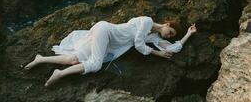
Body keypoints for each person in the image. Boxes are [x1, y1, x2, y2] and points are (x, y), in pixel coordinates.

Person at [23, 16, 197, 87]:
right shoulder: (146, 22)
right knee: (95, 64)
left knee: (73, 59)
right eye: (171, 32)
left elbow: (173, 48)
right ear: (167, 24)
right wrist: (157, 53)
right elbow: (138, 44)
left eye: (171, 35)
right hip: (106, 31)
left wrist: (188, 34)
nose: (168, 36)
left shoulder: (152, 37)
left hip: (107, 41)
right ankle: (58, 75)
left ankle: (40, 59)